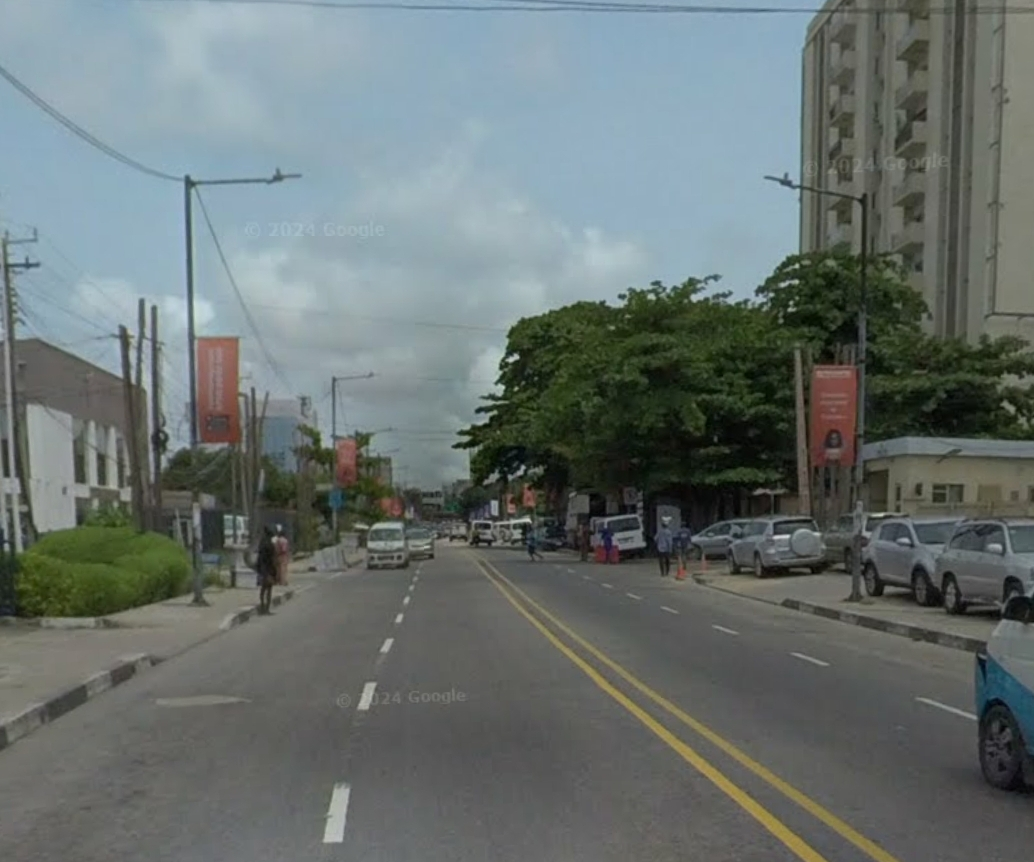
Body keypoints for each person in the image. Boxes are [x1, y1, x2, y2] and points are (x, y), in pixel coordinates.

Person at [256, 526, 277, 615]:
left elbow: (259, 557)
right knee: (269, 589)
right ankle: (266, 609)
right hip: (268, 568)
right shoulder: (270, 545)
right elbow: (271, 559)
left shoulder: (261, 543)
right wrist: (274, 571)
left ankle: (262, 606)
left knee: (263, 589)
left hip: (261, 568)